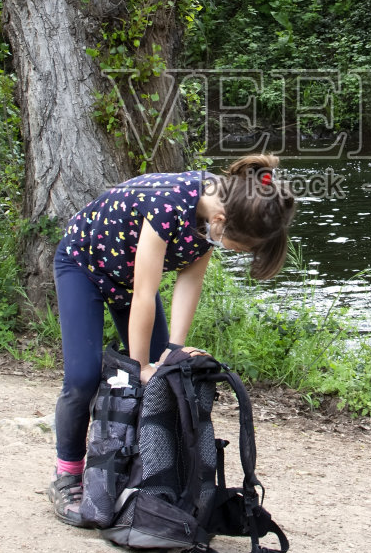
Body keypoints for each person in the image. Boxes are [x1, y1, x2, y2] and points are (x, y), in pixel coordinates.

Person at [48, 153, 297, 526]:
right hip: (85, 265)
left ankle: (137, 473)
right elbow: (145, 292)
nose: (229, 250)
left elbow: (189, 281)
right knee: (83, 377)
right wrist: (139, 366)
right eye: (236, 247)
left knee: (165, 379)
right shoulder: (169, 203)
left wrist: (171, 351)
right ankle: (68, 474)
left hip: (128, 278)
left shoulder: (226, 205)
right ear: (219, 222)